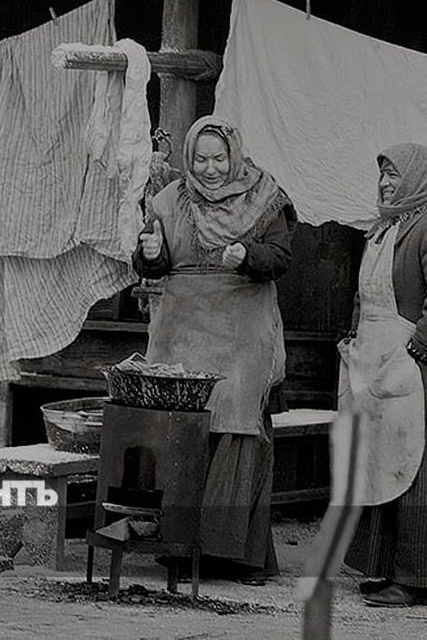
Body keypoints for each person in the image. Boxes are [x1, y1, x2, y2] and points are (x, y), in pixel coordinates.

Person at [133, 115, 297, 584]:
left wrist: (248, 256)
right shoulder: (169, 199)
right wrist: (149, 255)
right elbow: (153, 261)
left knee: (237, 428)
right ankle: (180, 550)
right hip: (181, 331)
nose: (210, 169)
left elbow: (281, 258)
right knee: (184, 433)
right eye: (201, 159)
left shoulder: (265, 197)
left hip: (242, 334)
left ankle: (239, 556)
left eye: (219, 159)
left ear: (234, 156)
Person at [341, 143, 427, 607]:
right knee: (387, 469)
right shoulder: (387, 227)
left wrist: (417, 349)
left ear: (419, 178)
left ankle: (419, 579)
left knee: (424, 478)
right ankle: (391, 568)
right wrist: (357, 340)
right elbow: (369, 297)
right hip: (384, 369)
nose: (385, 184)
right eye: (382, 175)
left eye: (395, 176)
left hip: (425, 377)